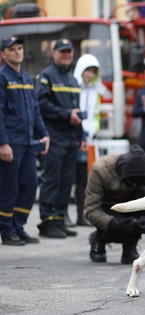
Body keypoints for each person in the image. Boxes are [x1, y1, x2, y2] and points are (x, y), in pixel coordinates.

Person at [0, 36, 50, 246]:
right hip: (11, 143)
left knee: (30, 185)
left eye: (20, 48)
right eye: (12, 49)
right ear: (3, 54)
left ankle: (19, 226)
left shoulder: (28, 79)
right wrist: (3, 143)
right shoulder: (3, 78)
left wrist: (43, 133)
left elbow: (35, 111)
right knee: (9, 188)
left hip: (28, 142)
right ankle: (7, 230)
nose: (18, 52)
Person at [36, 38, 86, 238]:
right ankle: (47, 221)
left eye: (69, 52)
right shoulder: (46, 76)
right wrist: (66, 115)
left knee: (66, 182)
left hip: (71, 139)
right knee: (51, 180)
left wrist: (82, 136)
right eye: (62, 51)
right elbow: (41, 105)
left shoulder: (73, 80)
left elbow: (78, 111)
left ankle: (58, 219)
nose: (66, 55)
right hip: (54, 137)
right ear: (53, 54)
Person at [85, 145, 145, 264]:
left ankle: (130, 245)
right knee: (115, 224)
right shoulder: (100, 170)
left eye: (137, 183)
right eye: (130, 182)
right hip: (109, 207)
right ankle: (99, 238)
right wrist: (114, 223)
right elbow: (91, 210)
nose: (133, 185)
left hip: (132, 204)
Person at [73, 53, 111, 227]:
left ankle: (84, 214)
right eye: (87, 71)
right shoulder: (75, 87)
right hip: (76, 137)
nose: (89, 75)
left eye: (93, 72)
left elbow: (95, 113)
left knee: (88, 179)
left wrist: (92, 131)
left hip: (90, 139)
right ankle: (74, 215)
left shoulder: (96, 89)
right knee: (74, 178)